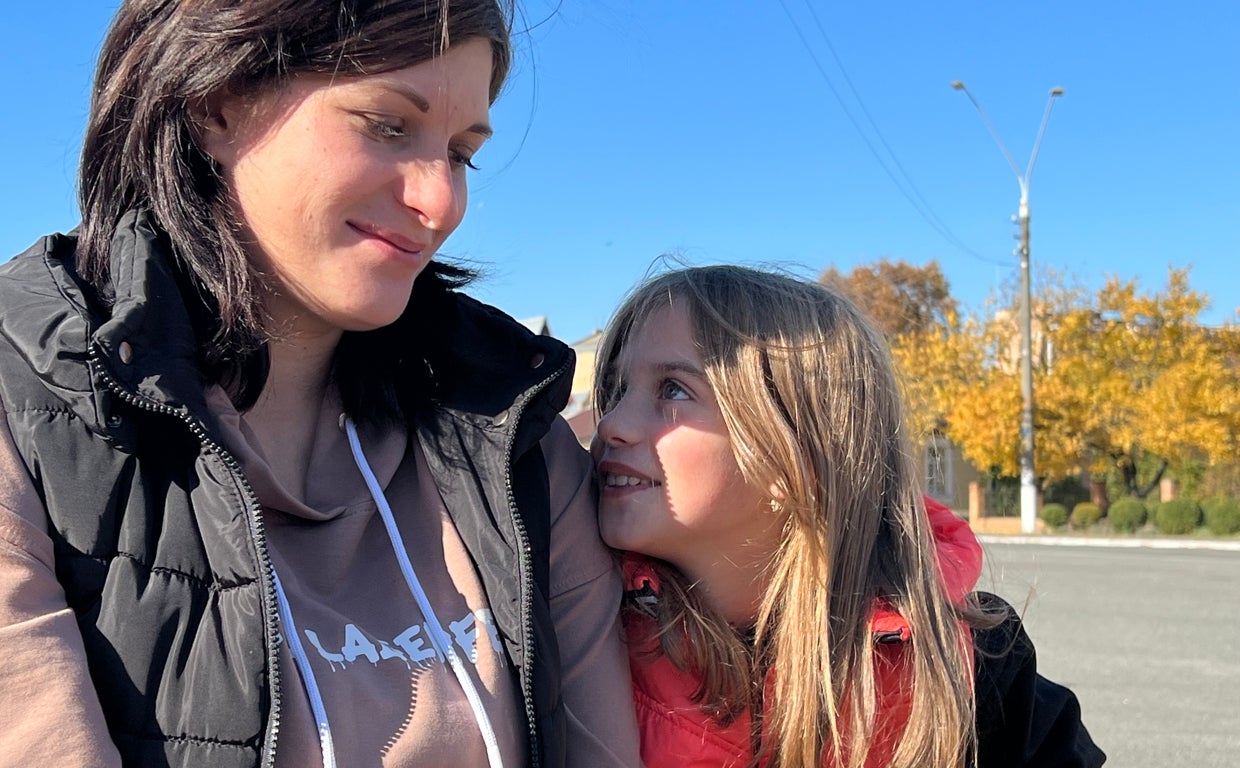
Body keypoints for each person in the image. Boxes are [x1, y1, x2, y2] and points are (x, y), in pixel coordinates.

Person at [0, 2, 641, 767]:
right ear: (217, 102)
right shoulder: (26, 398)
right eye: (387, 125)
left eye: (463, 153)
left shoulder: (510, 429)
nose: (441, 204)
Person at [590, 264, 1106, 768]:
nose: (612, 423)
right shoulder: (576, 635)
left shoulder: (971, 663)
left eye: (673, 390)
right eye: (616, 390)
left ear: (799, 457)